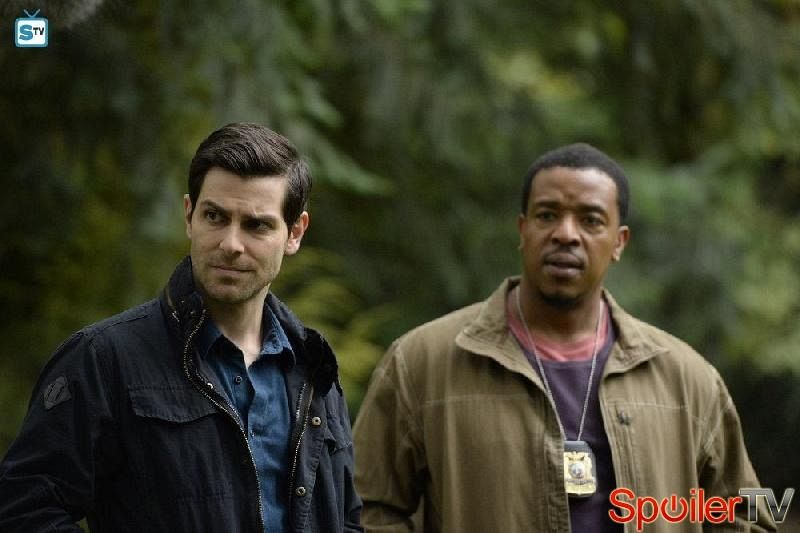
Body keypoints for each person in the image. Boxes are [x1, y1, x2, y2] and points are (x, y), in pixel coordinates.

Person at [352, 143, 775, 531]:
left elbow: (748, 516)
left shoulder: (686, 378)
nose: (566, 234)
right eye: (547, 215)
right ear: (523, 230)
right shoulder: (423, 363)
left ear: (619, 242)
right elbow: (364, 509)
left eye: (591, 220)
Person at [0, 123, 362, 532]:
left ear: (294, 233)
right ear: (189, 216)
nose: (231, 244)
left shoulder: (315, 371)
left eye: (256, 225)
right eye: (215, 217)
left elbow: (347, 519)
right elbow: (23, 511)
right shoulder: (103, 359)